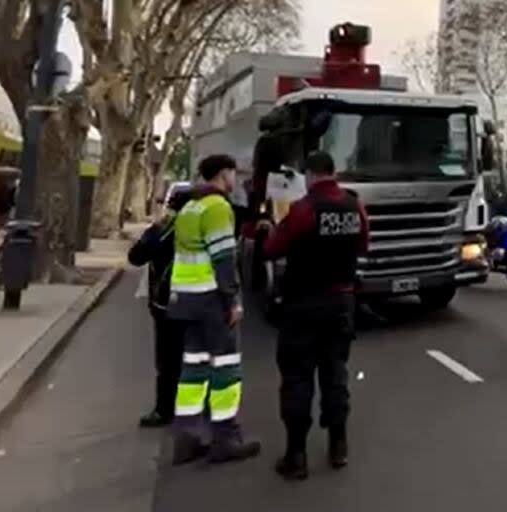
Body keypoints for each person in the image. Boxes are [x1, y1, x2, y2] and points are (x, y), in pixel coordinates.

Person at [260, 150, 369, 480]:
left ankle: (296, 456)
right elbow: (363, 245)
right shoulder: (355, 205)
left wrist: (269, 230)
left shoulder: (303, 209)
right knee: (335, 374)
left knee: (297, 378)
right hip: (341, 303)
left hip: (303, 305)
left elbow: (272, 250)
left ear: (309, 174)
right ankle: (339, 446)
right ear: (333, 172)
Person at [168, 154, 261, 465]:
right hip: (211, 302)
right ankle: (225, 438)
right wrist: (232, 301)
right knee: (225, 369)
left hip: (185, 301)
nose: (235, 180)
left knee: (193, 371)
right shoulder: (218, 207)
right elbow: (223, 259)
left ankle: (187, 438)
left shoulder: (189, 207)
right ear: (224, 174)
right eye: (233, 174)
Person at [128, 186, 192, 428]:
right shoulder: (206, 228)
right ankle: (194, 411)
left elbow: (136, 257)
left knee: (168, 360)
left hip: (165, 302)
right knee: (196, 359)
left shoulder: (163, 229)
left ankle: (165, 410)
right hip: (200, 301)